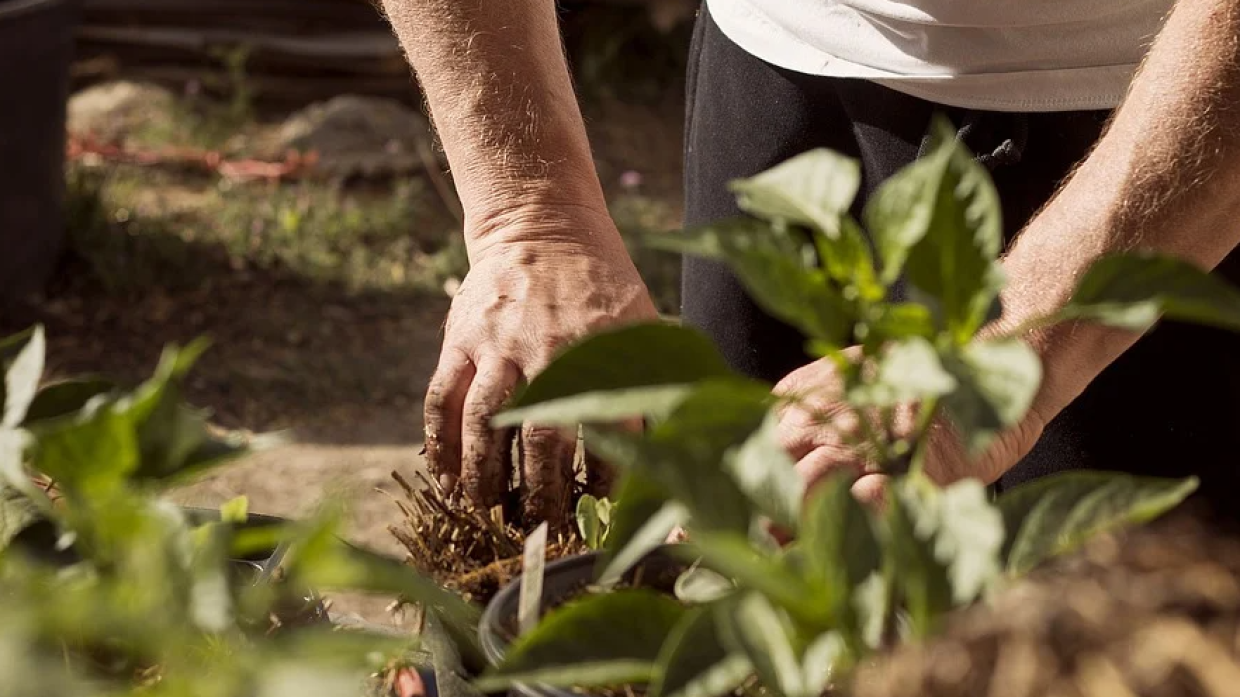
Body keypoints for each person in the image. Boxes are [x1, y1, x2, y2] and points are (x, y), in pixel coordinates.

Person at [379, 0, 1240, 523]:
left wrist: (1011, 343)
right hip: (775, 81)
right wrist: (532, 213)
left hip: (1168, 143)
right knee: (752, 587)